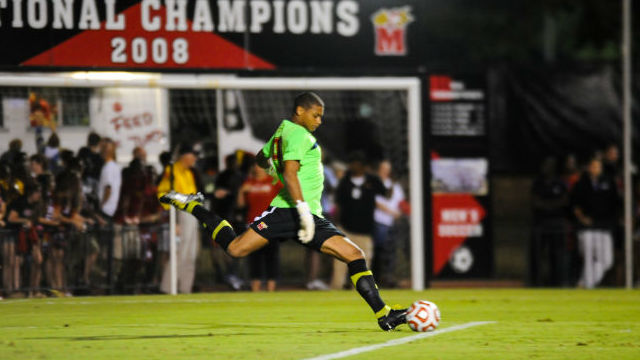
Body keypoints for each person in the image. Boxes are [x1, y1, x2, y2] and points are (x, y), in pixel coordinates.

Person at [159, 92, 407, 331]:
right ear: (300, 111)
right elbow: (289, 173)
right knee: (235, 248)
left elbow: (260, 157)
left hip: (310, 214)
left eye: (321, 116)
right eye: (316, 115)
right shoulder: (298, 134)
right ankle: (195, 206)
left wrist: (271, 170)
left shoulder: (282, 131)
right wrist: (299, 206)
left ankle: (383, 315)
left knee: (354, 254)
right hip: (289, 210)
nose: (319, 121)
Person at [330, 151, 386, 290]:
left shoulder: (372, 180)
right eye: (352, 163)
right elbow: (338, 205)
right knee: (340, 262)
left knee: (364, 262)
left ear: (363, 166)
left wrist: (383, 176)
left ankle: (362, 290)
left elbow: (386, 193)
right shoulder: (345, 182)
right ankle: (336, 288)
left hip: (365, 230)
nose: (354, 166)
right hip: (345, 228)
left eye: (357, 164)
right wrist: (335, 227)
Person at [157, 142, 203, 294]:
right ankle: (168, 287)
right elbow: (162, 193)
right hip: (180, 214)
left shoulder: (189, 172)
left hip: (192, 212)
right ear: (185, 156)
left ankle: (185, 288)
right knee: (180, 252)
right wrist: (174, 220)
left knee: (191, 253)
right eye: (193, 156)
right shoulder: (172, 171)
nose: (195, 159)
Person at [571, 156, 620, 289]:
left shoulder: (609, 182)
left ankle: (584, 282)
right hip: (587, 228)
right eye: (593, 166)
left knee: (607, 261)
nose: (595, 169)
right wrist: (583, 219)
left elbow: (616, 203)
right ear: (588, 168)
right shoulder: (581, 183)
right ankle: (588, 285)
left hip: (604, 226)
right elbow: (575, 205)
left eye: (598, 166)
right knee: (589, 259)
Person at [237, 163, 283, 292]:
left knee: (271, 254)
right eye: (255, 166)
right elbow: (240, 205)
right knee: (255, 256)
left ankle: (271, 287)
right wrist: (241, 191)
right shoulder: (249, 183)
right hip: (253, 223)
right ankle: (255, 287)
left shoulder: (273, 181)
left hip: (269, 223)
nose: (257, 168)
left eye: (260, 166)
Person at [372, 159, 405, 288]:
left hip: (392, 223)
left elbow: (401, 202)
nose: (385, 171)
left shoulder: (394, 186)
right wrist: (392, 212)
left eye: (387, 169)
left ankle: (388, 278)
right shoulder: (375, 184)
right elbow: (376, 202)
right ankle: (376, 279)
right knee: (379, 251)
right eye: (383, 169)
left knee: (391, 252)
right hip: (379, 222)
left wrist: (402, 212)